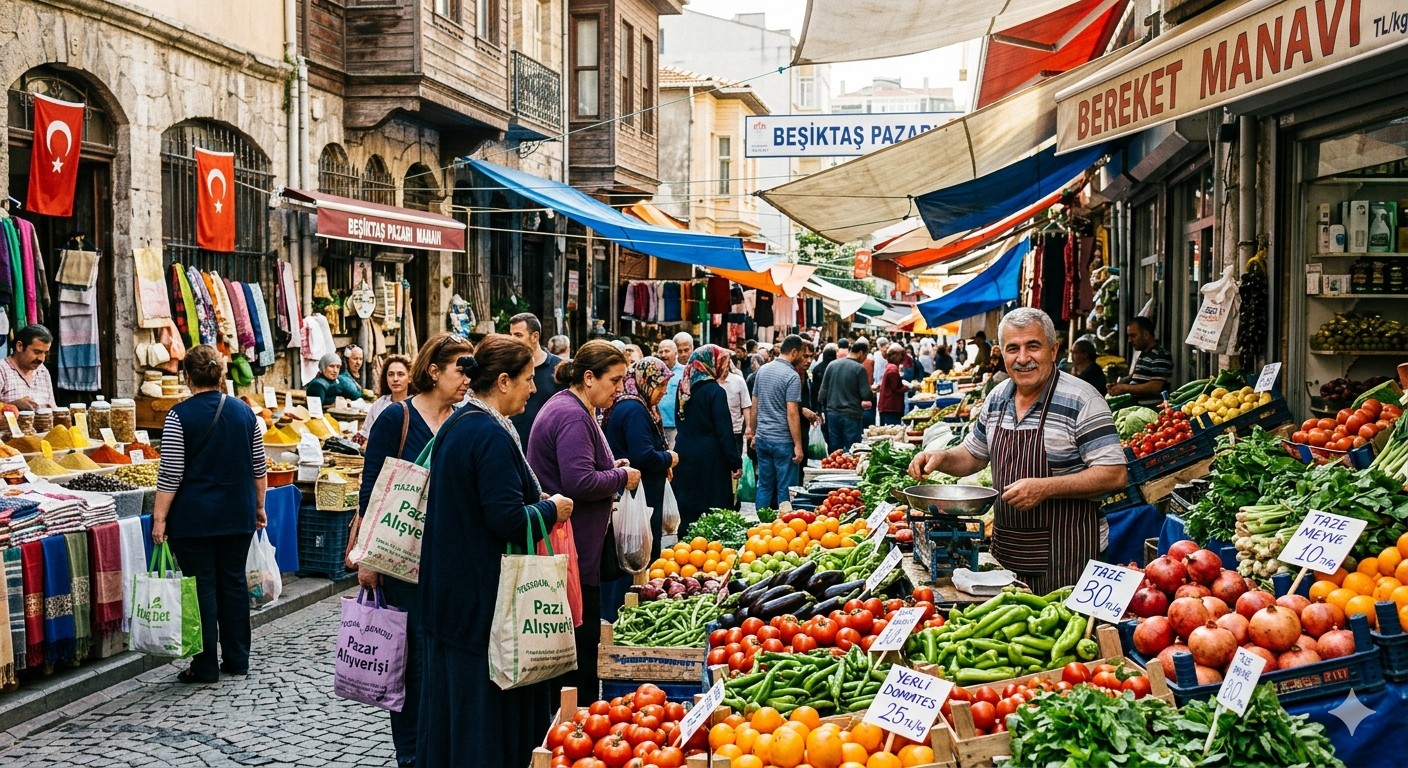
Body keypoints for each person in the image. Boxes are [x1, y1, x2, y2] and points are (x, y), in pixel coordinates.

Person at [417, 334, 574, 766]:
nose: (534, 387)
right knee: (478, 714)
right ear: (503, 381)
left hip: (452, 592)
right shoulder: (486, 433)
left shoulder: (460, 423)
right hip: (479, 599)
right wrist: (551, 509)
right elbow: (504, 518)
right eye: (527, 379)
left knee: (454, 708)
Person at [907, 308, 1127, 593]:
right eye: (1013, 349)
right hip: (1007, 556)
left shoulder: (1083, 400)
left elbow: (1114, 475)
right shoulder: (998, 397)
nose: (1023, 358)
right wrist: (941, 458)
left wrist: (1045, 488)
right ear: (1002, 353)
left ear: (1053, 349)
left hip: (1070, 558)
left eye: (1033, 346)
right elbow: (973, 455)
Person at [345, 333, 469, 766]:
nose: (467, 378)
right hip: (401, 561)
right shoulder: (396, 419)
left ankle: (435, 750)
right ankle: (411, 755)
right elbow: (371, 489)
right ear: (434, 371)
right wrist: (368, 558)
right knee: (408, 662)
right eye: (461, 368)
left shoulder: (462, 419)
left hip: (448, 562)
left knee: (439, 663)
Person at [527, 341, 641, 699]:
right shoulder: (572, 414)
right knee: (579, 645)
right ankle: (574, 717)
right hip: (569, 549)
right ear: (588, 377)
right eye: (615, 380)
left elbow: (583, 469)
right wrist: (622, 478)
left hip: (574, 548)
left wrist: (612, 467)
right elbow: (578, 482)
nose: (619, 389)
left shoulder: (575, 408)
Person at [151, 345, 267, 683]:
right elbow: (258, 466)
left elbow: (170, 474)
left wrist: (159, 518)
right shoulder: (244, 413)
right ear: (220, 376)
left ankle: (204, 666)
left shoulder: (179, 416)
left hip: (194, 518)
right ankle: (237, 659)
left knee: (201, 586)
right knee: (232, 583)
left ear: (187, 377)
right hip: (237, 513)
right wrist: (260, 506)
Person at [674, 345, 743, 527]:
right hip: (710, 458)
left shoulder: (683, 389)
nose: (725, 368)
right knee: (712, 508)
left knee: (689, 506)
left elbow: (678, 420)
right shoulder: (715, 391)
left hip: (684, 452)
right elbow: (724, 431)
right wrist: (735, 462)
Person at [751, 335, 806, 510]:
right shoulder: (792, 376)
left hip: (763, 438)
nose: (803, 359)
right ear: (794, 352)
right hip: (783, 440)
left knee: (764, 485)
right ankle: (783, 529)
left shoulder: (763, 370)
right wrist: (798, 444)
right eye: (803, 355)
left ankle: (761, 526)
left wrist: (753, 432)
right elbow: (792, 413)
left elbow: (755, 405)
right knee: (785, 489)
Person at [507, 312, 563, 446]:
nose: (513, 340)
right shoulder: (508, 368)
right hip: (515, 446)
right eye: (511, 335)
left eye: (518, 335)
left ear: (535, 336)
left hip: (546, 450)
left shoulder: (558, 369)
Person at [819, 339, 874, 454]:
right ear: (860, 353)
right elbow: (865, 395)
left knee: (835, 450)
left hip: (833, 414)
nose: (864, 359)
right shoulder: (859, 368)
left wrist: (822, 410)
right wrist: (872, 392)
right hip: (852, 415)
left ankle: (834, 470)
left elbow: (822, 393)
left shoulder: (832, 365)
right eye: (865, 356)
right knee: (852, 450)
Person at [1108, 316, 1173, 407]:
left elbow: (1155, 386)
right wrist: (1118, 385)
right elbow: (1137, 378)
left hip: (1152, 410)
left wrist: (1125, 388)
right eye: (1129, 336)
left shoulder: (1160, 355)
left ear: (1146, 334)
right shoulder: (1144, 354)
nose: (1130, 340)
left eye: (1133, 336)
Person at [357, 353, 412, 444]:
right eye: (390, 374)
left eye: (400, 374)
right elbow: (365, 433)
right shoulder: (380, 404)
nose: (395, 379)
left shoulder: (416, 404)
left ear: (409, 378)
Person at [0, 324, 55, 409]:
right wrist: (14, 405)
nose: (41, 359)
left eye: (45, 353)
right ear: (20, 346)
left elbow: (52, 408)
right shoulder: (2, 370)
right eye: (37, 352)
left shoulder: (42, 371)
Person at [720, 359, 754, 460]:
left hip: (735, 430)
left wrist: (748, 426)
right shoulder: (712, 381)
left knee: (735, 461)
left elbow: (746, 405)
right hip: (717, 430)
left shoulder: (738, 380)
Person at [657, 339, 684, 448]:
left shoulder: (684, 372)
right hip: (658, 424)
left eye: (667, 351)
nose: (663, 355)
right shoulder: (655, 371)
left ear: (676, 353)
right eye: (660, 352)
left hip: (676, 426)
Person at [877, 344, 908, 426]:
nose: (902, 358)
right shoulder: (892, 369)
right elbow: (896, 388)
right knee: (892, 429)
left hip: (888, 405)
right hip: (890, 406)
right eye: (900, 356)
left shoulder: (891, 367)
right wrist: (907, 387)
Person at [811, 343, 838, 408]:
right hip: (835, 404)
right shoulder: (837, 368)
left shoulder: (817, 368)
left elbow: (814, 389)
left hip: (821, 402)